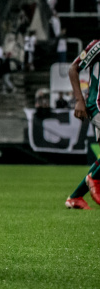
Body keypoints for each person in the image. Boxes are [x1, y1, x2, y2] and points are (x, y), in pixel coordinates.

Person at [65, 39, 100, 209]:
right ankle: (95, 179)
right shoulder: (98, 45)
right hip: (97, 105)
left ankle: (75, 198)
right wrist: (79, 100)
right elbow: (73, 68)